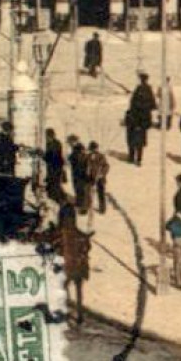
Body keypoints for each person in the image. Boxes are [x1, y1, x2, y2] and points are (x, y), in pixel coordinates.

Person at [57, 200, 92, 331]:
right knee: (79, 290)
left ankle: (65, 313)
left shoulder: (61, 233)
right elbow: (87, 247)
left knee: (63, 288)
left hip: (67, 266)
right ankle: (80, 315)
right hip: (80, 266)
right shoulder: (78, 232)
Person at [126, 73, 156, 165]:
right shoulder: (148, 89)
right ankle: (137, 159)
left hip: (137, 120)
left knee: (133, 140)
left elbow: (133, 103)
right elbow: (153, 104)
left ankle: (132, 158)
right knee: (139, 142)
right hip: (143, 120)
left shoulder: (140, 89)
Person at [42, 128, 66, 203]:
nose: (46, 138)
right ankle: (58, 199)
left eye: (47, 136)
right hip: (51, 168)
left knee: (55, 185)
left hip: (56, 168)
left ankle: (60, 201)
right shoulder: (49, 144)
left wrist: (43, 155)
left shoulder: (56, 144)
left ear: (50, 136)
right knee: (53, 185)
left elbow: (52, 157)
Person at [68, 136, 92, 211]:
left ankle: (84, 207)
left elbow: (83, 160)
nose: (70, 144)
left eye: (70, 142)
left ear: (74, 141)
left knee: (83, 191)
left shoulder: (80, 148)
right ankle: (79, 203)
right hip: (76, 173)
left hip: (82, 173)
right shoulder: (75, 149)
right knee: (77, 189)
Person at [87, 141, 109, 214]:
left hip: (100, 178)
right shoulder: (88, 156)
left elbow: (106, 166)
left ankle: (102, 208)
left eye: (95, 149)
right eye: (92, 149)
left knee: (101, 193)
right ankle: (88, 206)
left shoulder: (101, 156)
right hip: (91, 177)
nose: (94, 151)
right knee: (89, 192)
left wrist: (102, 173)